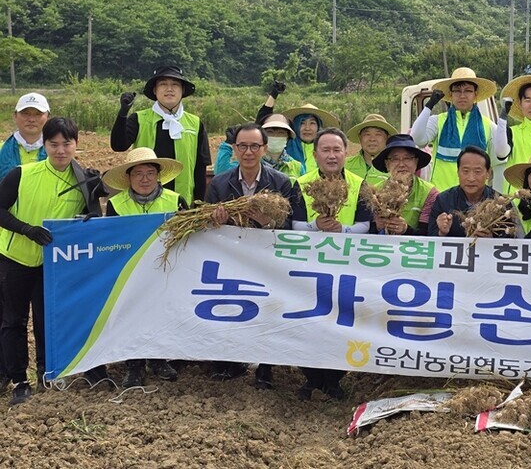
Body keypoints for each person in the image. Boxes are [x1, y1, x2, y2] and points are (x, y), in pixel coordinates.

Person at [0, 117, 104, 404]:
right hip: (15, 258)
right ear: (44, 146)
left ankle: (48, 373)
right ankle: (20, 380)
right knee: (13, 322)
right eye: (53, 144)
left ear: (76, 145)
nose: (60, 150)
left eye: (66, 144)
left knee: (48, 321)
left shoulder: (83, 180)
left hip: (53, 264)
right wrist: (26, 229)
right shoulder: (21, 174)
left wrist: (96, 188)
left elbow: (92, 219)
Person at [206, 123, 307, 388]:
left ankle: (266, 366)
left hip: (267, 261)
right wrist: (216, 221)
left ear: (263, 149)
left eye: (254, 146)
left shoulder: (282, 184)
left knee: (267, 309)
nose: (248, 152)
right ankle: (230, 362)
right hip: (232, 259)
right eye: (242, 146)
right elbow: (205, 227)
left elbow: (291, 228)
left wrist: (266, 223)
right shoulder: (219, 184)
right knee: (231, 306)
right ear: (234, 150)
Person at [293, 127, 373, 401]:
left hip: (348, 266)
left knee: (344, 320)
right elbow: (292, 226)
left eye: (336, 150)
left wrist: (343, 230)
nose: (331, 155)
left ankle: (334, 378)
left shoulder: (359, 183)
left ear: (345, 153)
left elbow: (366, 224)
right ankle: (312, 377)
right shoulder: (300, 184)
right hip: (309, 265)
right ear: (314, 155)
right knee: (309, 319)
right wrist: (316, 226)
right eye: (325, 150)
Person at [103, 147, 188, 387]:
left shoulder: (175, 201)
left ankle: (159, 358)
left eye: (150, 173)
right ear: (128, 177)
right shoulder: (116, 204)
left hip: (165, 270)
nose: (144, 179)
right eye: (138, 173)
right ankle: (134, 364)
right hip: (130, 271)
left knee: (162, 313)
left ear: (158, 175)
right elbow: (111, 239)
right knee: (131, 314)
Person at [0, 92, 51, 391]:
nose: (31, 119)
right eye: (26, 113)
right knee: (9, 317)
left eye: (37, 114)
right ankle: (10, 372)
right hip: (8, 247)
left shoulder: (57, 153)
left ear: (46, 117)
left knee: (45, 316)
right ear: (16, 116)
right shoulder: (3, 153)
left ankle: (46, 371)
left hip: (46, 251)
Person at [111, 65, 211, 206]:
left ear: (182, 90)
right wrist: (123, 114)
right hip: (144, 204)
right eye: (163, 84)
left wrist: (199, 203)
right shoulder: (139, 119)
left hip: (182, 204)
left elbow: (200, 167)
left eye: (175, 85)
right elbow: (118, 145)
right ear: (154, 90)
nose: (169, 89)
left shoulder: (195, 123)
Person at [410, 67, 505, 193]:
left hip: (475, 199)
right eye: (457, 91)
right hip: (441, 196)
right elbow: (417, 138)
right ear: (450, 94)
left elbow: (498, 165)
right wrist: (429, 106)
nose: (462, 96)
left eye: (468, 91)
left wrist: (497, 196)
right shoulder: (438, 121)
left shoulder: (489, 126)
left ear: (475, 94)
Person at [429, 146, 512, 238]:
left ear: (488, 173)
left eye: (477, 172)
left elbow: (511, 238)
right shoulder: (443, 200)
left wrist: (491, 239)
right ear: (457, 172)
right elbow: (429, 239)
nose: (471, 178)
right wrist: (441, 232)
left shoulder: (501, 203)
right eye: (465, 171)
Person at [369, 134, 438, 236]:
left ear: (416, 162)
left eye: (407, 158)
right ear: (387, 164)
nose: (401, 164)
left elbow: (429, 233)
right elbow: (365, 229)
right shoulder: (375, 192)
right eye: (395, 159)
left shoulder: (429, 193)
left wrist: (406, 229)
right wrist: (377, 226)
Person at [280, 104, 341, 175]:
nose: (307, 128)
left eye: (312, 123)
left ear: (319, 127)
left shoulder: (329, 150)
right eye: (302, 123)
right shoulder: (283, 148)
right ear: (295, 126)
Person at [346, 113, 397, 187]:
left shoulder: (395, 168)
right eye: (367, 134)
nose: (372, 139)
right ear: (360, 137)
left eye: (378, 134)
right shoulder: (344, 165)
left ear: (387, 138)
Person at [260, 114, 305, 179]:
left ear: (288, 137)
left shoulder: (297, 167)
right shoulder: (250, 162)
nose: (275, 136)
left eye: (281, 133)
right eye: (270, 132)